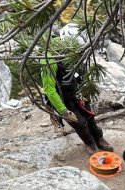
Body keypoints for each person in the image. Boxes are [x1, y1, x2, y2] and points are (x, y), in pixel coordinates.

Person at [41, 26, 113, 155]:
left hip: (78, 91)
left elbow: (85, 71)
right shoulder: (49, 59)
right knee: (80, 123)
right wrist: (63, 111)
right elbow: (49, 89)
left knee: (90, 116)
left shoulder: (79, 51)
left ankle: (99, 138)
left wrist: (88, 89)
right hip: (63, 97)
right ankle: (90, 143)